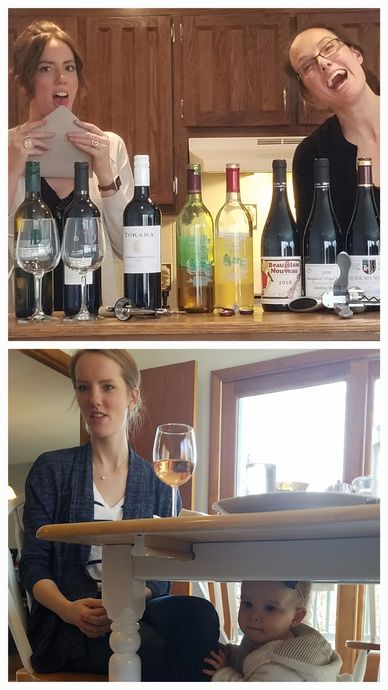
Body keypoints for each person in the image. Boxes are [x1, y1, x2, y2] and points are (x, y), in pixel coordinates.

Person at [18, 349, 219, 680]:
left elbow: (162, 573)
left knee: (201, 617)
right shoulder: (52, 469)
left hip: (137, 609)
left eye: (107, 387)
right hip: (70, 621)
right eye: (83, 388)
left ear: (132, 395)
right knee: (161, 651)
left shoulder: (159, 479)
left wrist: (124, 603)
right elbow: (33, 564)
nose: (94, 399)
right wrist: (69, 610)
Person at [8, 20, 134, 309]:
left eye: (69, 67)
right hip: (25, 324)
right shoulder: (6, 148)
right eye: (46, 68)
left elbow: (130, 250)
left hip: (95, 319)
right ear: (25, 81)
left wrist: (104, 172)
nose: (61, 79)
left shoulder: (109, 146)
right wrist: (12, 169)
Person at [287, 25, 380, 235]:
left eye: (328, 47)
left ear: (356, 54)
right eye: (308, 65)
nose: (323, 62)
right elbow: (314, 254)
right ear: (309, 95)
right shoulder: (310, 155)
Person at [203, 580, 345, 682]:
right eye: (247, 603)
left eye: (270, 608)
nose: (253, 616)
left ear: (296, 617)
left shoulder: (284, 666)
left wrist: (224, 675)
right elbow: (249, 658)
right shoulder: (259, 637)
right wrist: (230, 654)